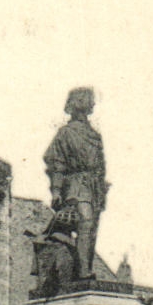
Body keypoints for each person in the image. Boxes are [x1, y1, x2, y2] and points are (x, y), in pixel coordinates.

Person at [42, 87, 107, 279]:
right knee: (85, 222)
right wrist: (56, 190)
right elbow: (57, 163)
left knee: (92, 228)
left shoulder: (95, 135)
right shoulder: (65, 133)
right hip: (76, 184)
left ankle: (83, 270)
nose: (93, 104)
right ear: (79, 104)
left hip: (94, 187)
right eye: (90, 100)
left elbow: (101, 165)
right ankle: (83, 272)